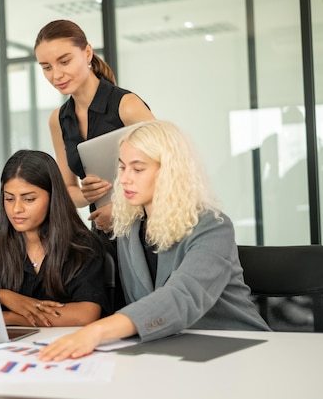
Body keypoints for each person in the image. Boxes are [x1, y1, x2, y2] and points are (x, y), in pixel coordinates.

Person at [38, 120, 270, 361]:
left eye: (137, 169)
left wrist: (97, 331)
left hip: (238, 348)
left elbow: (182, 297)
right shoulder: (129, 228)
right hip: (173, 350)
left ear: (170, 171)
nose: (125, 179)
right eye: (122, 167)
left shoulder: (213, 226)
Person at [34, 19, 155, 310]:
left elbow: (168, 168)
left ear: (87, 53)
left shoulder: (126, 105)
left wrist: (123, 209)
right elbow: (67, 189)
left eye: (64, 61)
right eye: (46, 67)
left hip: (150, 233)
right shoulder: (58, 120)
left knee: (150, 316)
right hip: (103, 239)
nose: (56, 75)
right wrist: (85, 195)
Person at [0, 149, 109, 327]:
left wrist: (10, 318)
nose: (16, 209)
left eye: (29, 199)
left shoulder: (82, 246)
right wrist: (2, 295)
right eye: (9, 199)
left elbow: (85, 314)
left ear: (53, 197)